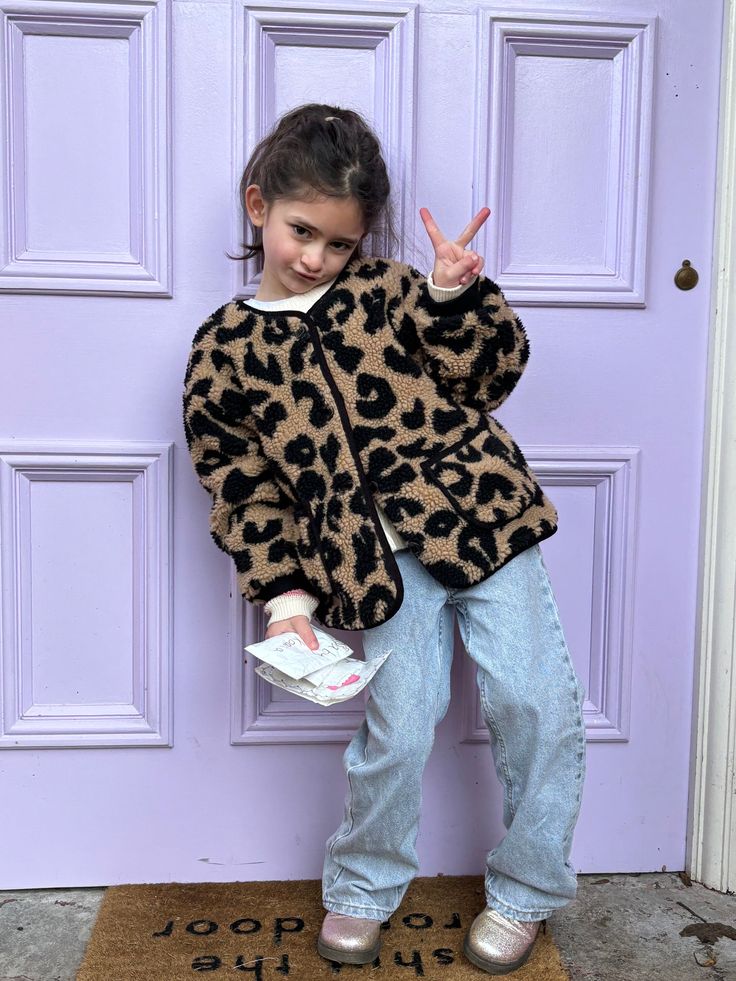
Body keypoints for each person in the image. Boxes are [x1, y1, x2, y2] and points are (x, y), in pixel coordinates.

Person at [182, 103, 587, 976]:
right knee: (398, 729)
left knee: (537, 706)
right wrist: (285, 601)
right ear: (258, 206)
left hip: (485, 521)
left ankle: (526, 888)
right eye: (302, 232)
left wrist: (453, 297)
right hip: (377, 569)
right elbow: (243, 489)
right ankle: (363, 886)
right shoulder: (224, 351)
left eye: (340, 243)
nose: (316, 258)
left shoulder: (392, 292)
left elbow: (488, 377)